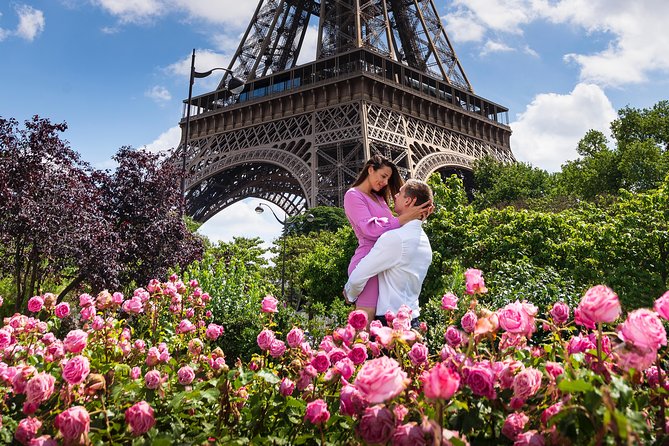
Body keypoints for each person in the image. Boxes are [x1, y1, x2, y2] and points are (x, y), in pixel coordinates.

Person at [343, 155, 430, 323]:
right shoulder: (353, 195)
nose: (385, 182)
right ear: (370, 169)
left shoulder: (379, 198)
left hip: (385, 261)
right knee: (365, 329)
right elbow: (369, 229)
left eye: (388, 179)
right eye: (383, 176)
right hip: (367, 262)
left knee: (379, 326)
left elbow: (394, 228)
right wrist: (403, 218)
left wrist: (418, 216)